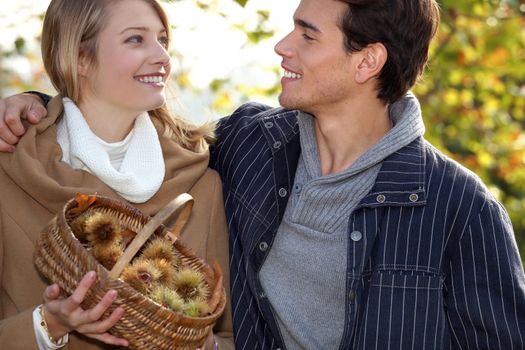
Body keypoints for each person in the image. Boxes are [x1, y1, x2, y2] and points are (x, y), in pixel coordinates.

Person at [2, 0, 525, 349]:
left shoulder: (462, 210)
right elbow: (111, 126)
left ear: (367, 62)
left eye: (307, 34)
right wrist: (37, 107)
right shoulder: (250, 146)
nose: (283, 46)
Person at [0, 0, 233, 349]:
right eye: (136, 39)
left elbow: (225, 337)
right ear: (80, 58)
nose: (162, 57)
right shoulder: (10, 173)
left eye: (162, 40)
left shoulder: (202, 181)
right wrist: (48, 325)